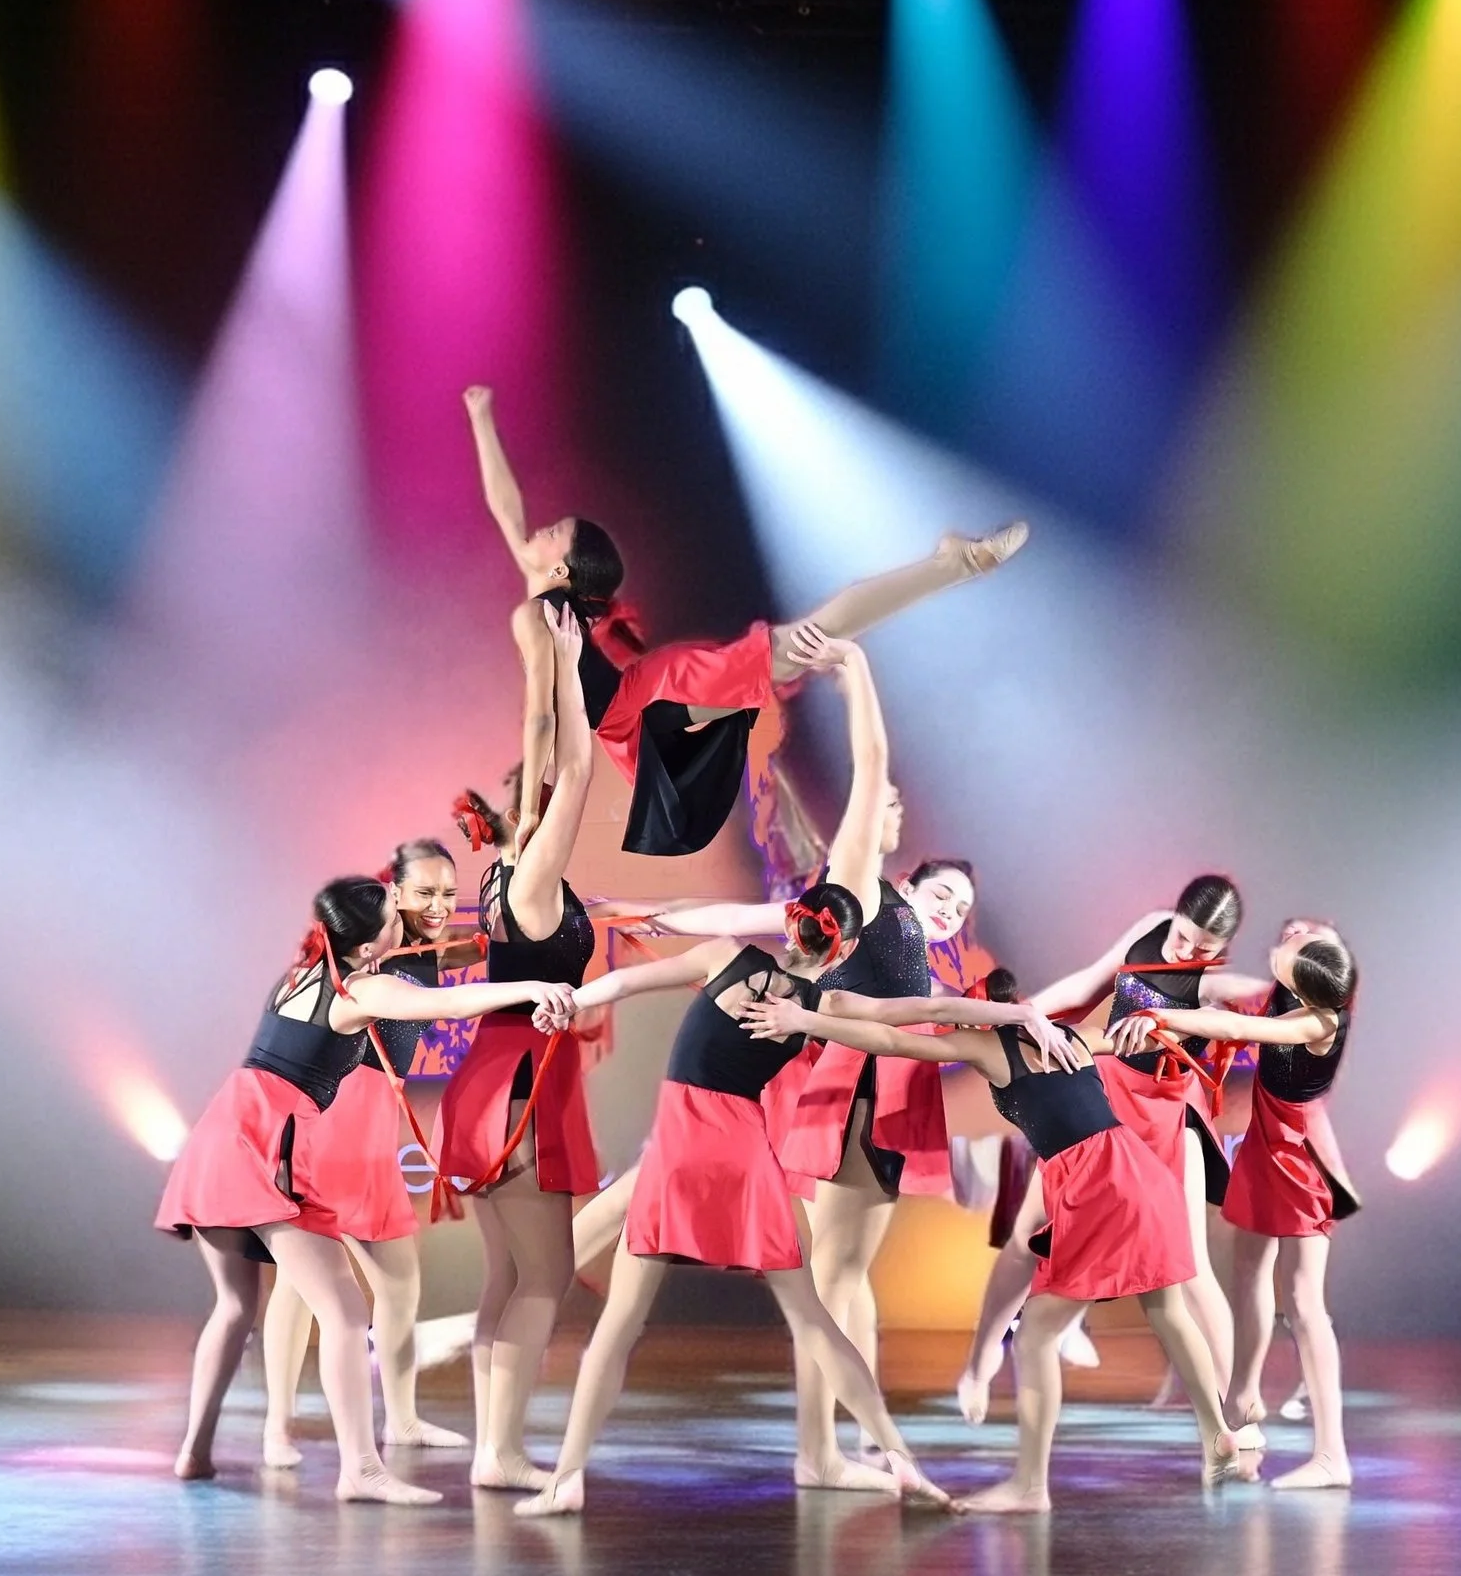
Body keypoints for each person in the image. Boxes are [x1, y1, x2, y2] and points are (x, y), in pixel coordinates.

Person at [509, 883, 963, 1516]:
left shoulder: (722, 955)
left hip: (679, 1156)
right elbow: (913, 1016)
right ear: (845, 950)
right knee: (815, 1321)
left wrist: (566, 1003)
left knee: (619, 1325)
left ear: (791, 922)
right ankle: (902, 1460)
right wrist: (1022, 1020)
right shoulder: (825, 1003)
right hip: (747, 1160)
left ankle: (567, 1479)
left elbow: (622, 984)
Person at [740, 970, 1240, 1513]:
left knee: (1035, 1337)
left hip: (1096, 1183)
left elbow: (888, 1040)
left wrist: (805, 1020)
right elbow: (1144, 1035)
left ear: (980, 1016)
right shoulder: (1069, 1035)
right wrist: (1157, 1021)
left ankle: (1030, 1487)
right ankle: (1216, 1432)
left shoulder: (988, 1044)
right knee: (1167, 1309)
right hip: (1140, 1169)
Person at [467, 382, 1027, 856]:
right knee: (798, 649)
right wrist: (482, 419)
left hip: (653, 699)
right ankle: (950, 565)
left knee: (804, 641)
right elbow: (506, 510)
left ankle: (954, 564)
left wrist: (529, 810)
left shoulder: (536, 613)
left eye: (551, 532)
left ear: (561, 568)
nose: (537, 531)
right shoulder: (543, 600)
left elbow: (543, 718)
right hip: (642, 714)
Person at [155, 878, 572, 1497]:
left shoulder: (300, 974)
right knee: (346, 1315)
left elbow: (442, 963)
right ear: (372, 941)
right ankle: (362, 1470)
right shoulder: (360, 988)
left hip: (221, 1137)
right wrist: (533, 987)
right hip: (263, 1151)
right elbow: (449, 1004)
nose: (405, 918)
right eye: (394, 915)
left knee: (236, 1306)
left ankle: (194, 1452)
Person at [954, 878, 1265, 1423]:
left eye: (1204, 947)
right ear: (1175, 915)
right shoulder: (1151, 927)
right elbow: (1086, 985)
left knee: (1190, 1268)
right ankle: (980, 1364)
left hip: (1168, 1113)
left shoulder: (1218, 982)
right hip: (1100, 1098)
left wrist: (1307, 975)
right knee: (1029, 1236)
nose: (1187, 951)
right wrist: (1019, 1017)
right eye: (1184, 936)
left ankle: (1236, 1407)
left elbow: (1271, 1005)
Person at [255, 843, 525, 1467]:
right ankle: (277, 1428)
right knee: (300, 1287)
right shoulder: (371, 956)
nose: (439, 905)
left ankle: (402, 1420)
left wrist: (537, 916)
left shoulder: (417, 951)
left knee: (400, 1288)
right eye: (425, 893)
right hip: (331, 1120)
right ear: (394, 893)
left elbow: (464, 950)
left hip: (374, 1128)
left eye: (448, 893)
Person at [435, 604, 605, 1489]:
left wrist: (538, 658)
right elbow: (573, 761)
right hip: (521, 1086)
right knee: (547, 1274)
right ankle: (499, 1450)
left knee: (507, 1273)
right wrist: (568, 662)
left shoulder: (508, 876)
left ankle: (491, 1447)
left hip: (498, 1074)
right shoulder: (532, 875)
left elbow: (543, 740)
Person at [1151, 923, 1359, 1489]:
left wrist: (1161, 1017)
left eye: (1298, 943)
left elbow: (1237, 1026)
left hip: (1298, 1156)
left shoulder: (1316, 1020)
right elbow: (1225, 996)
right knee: (1248, 1271)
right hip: (1268, 1145)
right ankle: (1244, 1392)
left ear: (1308, 973)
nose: (1286, 937)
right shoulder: (1288, 992)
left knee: (1304, 1303)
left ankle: (1331, 1454)